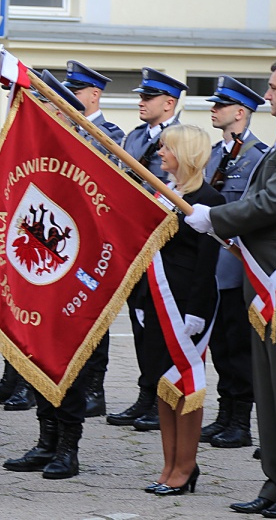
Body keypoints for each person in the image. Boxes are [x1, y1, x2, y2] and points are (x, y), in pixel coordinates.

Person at [185, 54, 276, 518]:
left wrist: (213, 216)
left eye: (273, 87)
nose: (267, 94)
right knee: (271, 392)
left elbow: (274, 202)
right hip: (267, 282)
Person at [3, 71, 98, 479]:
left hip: (74, 277)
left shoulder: (87, 154)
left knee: (69, 361)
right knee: (36, 356)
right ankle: (46, 441)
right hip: (37, 274)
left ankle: (68, 448)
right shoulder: (34, 157)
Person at [137, 124, 223, 496]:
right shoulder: (163, 192)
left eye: (167, 148)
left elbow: (208, 263)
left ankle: (185, 468)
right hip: (157, 297)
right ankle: (169, 463)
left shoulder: (209, 198)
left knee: (186, 384)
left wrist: (197, 311)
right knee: (163, 384)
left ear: (185, 152)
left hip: (187, 303)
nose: (160, 153)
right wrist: (141, 300)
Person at [109, 67, 188, 432]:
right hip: (134, 242)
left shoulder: (183, 138)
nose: (140, 102)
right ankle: (146, 394)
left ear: (169, 103)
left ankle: (165, 398)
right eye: (140, 97)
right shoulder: (136, 136)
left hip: (165, 245)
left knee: (162, 324)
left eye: (148, 97)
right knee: (141, 322)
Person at [200, 76, 267, 449]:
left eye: (221, 105)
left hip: (237, 265)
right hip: (211, 265)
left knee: (239, 346)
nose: (214, 109)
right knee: (222, 346)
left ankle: (241, 421)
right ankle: (225, 413)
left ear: (240, 112)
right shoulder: (213, 154)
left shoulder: (260, 157)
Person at [61, 60, 126, 418]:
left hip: (94, 241)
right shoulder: (64, 129)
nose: (69, 97)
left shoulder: (110, 135)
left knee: (93, 312)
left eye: (75, 91)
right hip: (65, 238)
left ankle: (94, 387)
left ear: (94, 95)